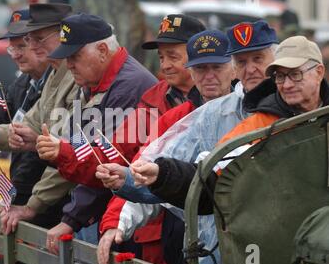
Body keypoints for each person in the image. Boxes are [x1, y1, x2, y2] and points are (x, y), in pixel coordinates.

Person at [96, 20, 279, 264]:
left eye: (216, 67)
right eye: (201, 69)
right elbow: (154, 167)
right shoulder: (198, 116)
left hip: (273, 246)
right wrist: (123, 194)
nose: (209, 76)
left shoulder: (291, 105)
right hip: (208, 251)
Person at [137, 35, 329, 216]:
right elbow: (211, 177)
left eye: (295, 75)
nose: (286, 85)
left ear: (319, 72)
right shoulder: (260, 125)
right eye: (280, 77)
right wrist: (163, 174)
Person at [35, 13, 158, 254]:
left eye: (75, 56)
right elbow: (82, 145)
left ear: (103, 50)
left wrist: (71, 219)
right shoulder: (92, 83)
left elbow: (105, 163)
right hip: (100, 215)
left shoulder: (129, 86)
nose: (69, 64)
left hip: (124, 222)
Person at [0, 3, 77, 232]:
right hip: (34, 202)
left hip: (54, 205)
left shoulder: (67, 76)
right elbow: (9, 127)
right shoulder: (26, 83)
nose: (18, 54)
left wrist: (14, 200)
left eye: (26, 43)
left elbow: (45, 152)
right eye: (13, 48)